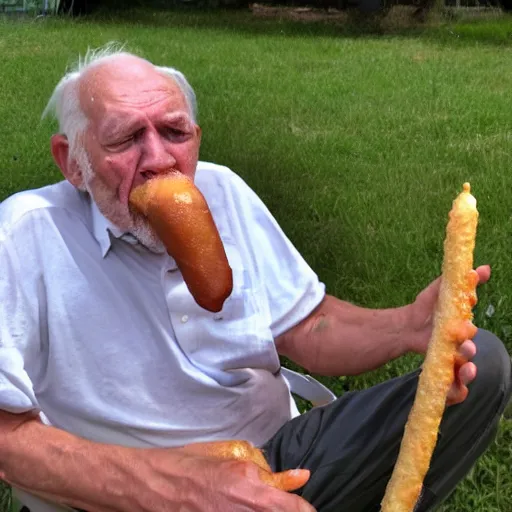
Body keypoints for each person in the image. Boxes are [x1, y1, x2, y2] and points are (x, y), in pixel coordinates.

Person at [0, 43, 510, 512]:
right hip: (128, 491)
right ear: (72, 162)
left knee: (483, 362)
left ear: (195, 139)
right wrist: (178, 488)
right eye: (126, 138)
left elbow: (308, 327)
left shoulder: (224, 192)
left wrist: (406, 326)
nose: (158, 159)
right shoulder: (24, 237)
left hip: (283, 459)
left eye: (174, 132)